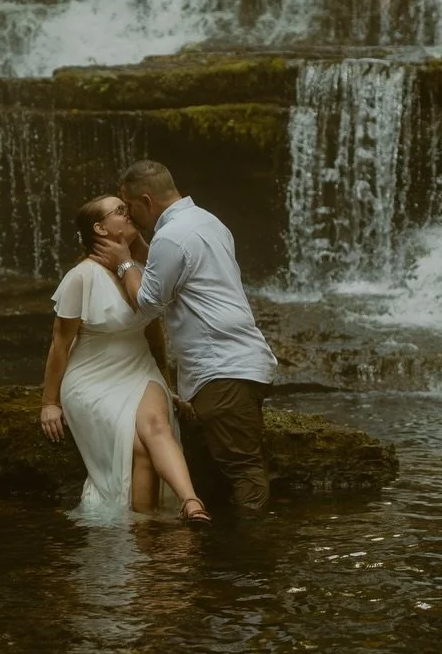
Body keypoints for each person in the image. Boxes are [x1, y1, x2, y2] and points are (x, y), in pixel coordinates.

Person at [92, 159, 276, 510]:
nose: (130, 217)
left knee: (244, 471)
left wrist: (123, 260)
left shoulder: (172, 237)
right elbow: (169, 268)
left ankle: (255, 557)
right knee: (235, 467)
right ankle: (230, 554)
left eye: (129, 207)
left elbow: (148, 303)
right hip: (242, 361)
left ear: (146, 201)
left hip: (222, 368)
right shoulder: (207, 221)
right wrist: (135, 252)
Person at [40, 194, 212, 524]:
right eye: (120, 211)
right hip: (93, 377)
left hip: (140, 369)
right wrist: (49, 402)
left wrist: (167, 382)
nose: (128, 213)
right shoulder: (81, 277)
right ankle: (144, 532)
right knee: (139, 449)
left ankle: (191, 503)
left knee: (157, 425)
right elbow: (60, 344)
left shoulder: (138, 271)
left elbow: (153, 332)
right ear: (100, 228)